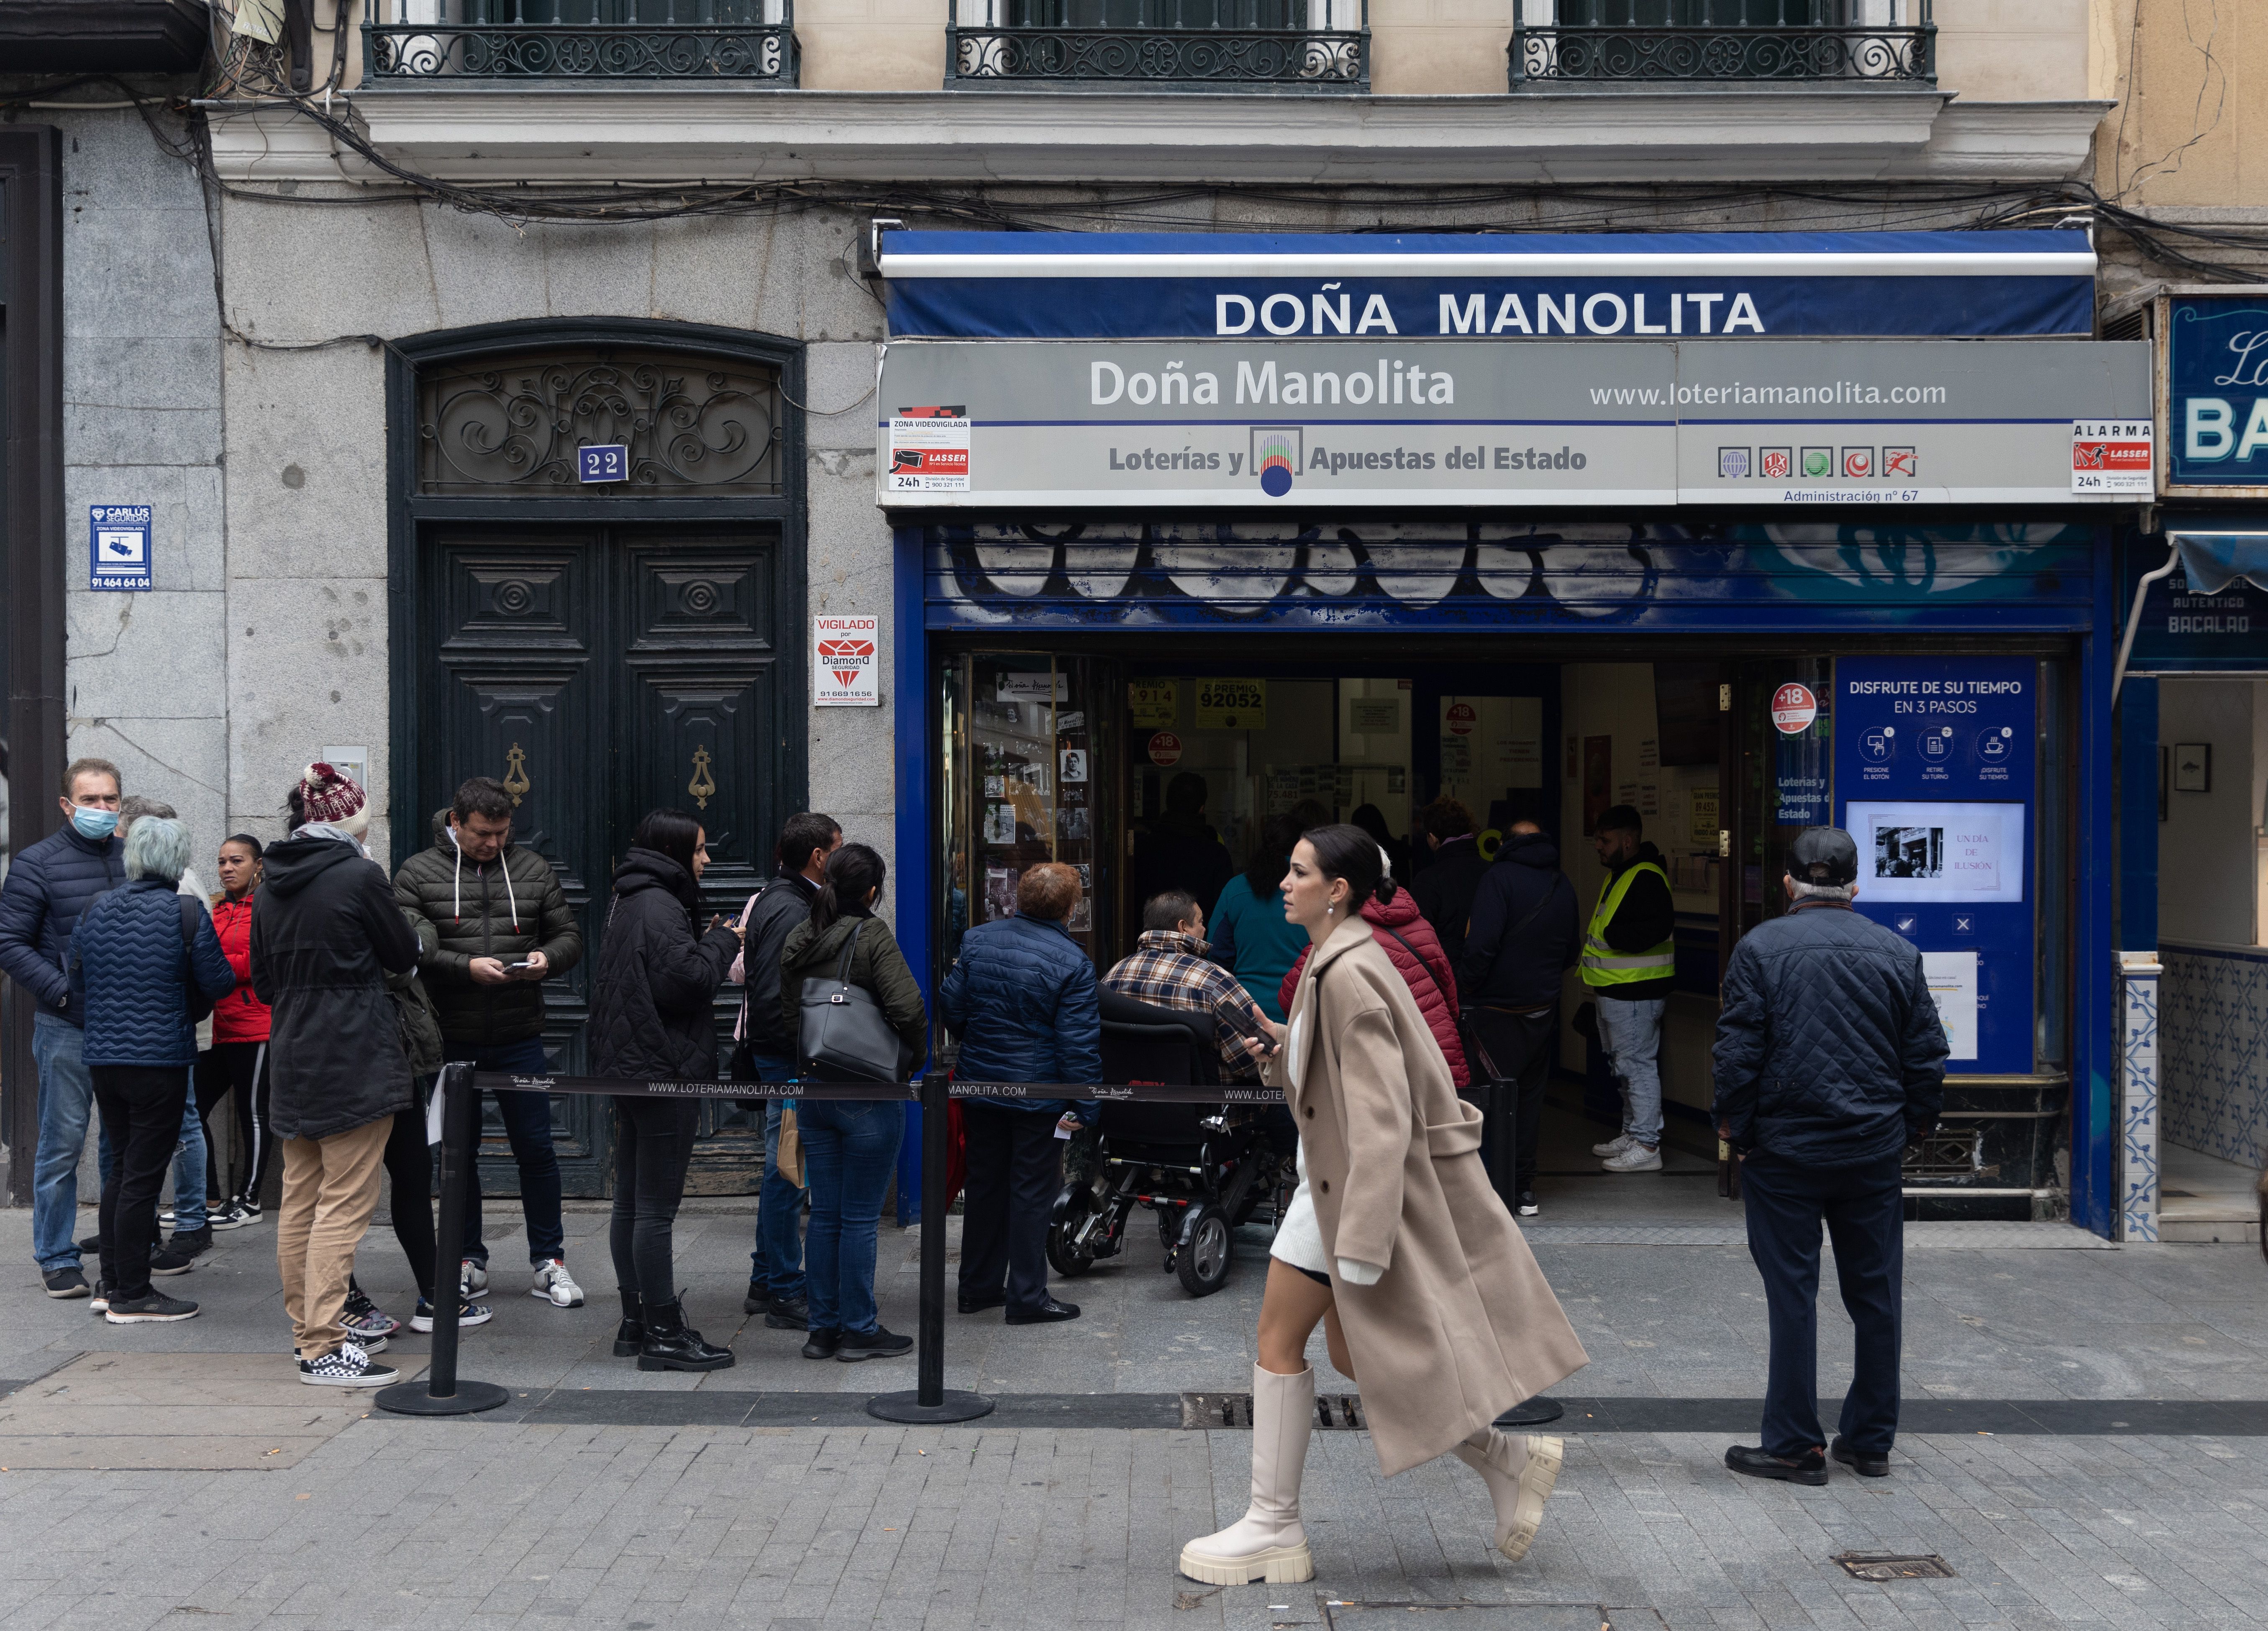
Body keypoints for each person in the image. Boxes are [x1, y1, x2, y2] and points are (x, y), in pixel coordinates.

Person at [1177, 825, 1587, 1586]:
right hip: (1336, 1189)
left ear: (1338, 890)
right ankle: (1506, 1456)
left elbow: (1382, 1117)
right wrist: (1282, 1046)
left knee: (1277, 1340)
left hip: (1340, 1198)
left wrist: (1362, 1239)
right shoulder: (1340, 957)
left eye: (1299, 872)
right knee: (1354, 1354)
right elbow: (1340, 1076)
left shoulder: (1349, 971)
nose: (1284, 883)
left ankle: (1274, 1525)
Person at [1712, 828, 1947, 1486]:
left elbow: (1737, 1052)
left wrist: (1736, 1130)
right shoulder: (1897, 951)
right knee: (1877, 1295)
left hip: (1784, 1150)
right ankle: (1870, 1440)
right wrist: (1915, 1124)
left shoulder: (1759, 948)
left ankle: (1794, 1444)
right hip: (1871, 1149)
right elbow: (1926, 1052)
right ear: (1855, 885)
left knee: (1792, 1294)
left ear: (1788, 883)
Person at [250, 763, 417, 1388]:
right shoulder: (359, 874)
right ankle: (324, 1344)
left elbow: (263, 983)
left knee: (300, 1201)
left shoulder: (269, 884)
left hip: (294, 1053)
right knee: (343, 1207)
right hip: (354, 1054)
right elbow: (403, 954)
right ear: (353, 820)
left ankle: (307, 1337)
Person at [394, 776, 585, 1310]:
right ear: (456, 822)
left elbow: (569, 935)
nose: (493, 843)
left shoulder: (532, 868)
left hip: (520, 1032)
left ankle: (549, 1260)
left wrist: (548, 958)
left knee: (537, 1148)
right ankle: (465, 1260)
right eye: (482, 833)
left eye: (502, 833)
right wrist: (465, 966)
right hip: (450, 1036)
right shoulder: (417, 872)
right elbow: (407, 948)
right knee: (458, 1153)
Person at [587, 808, 745, 1372]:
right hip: (662, 1065)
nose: (707, 858)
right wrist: (724, 940)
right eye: (699, 849)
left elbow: (657, 973)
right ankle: (663, 1331)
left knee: (631, 1200)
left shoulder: (631, 897)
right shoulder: (660, 903)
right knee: (654, 1208)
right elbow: (689, 982)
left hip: (631, 1061)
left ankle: (636, 1320)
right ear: (675, 851)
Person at [67, 817, 237, 1323]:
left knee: (122, 1168)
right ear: (179, 862)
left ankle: (111, 1283)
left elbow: (76, 979)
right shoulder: (186, 912)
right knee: (142, 1176)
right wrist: (186, 1000)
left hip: (105, 1059)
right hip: (160, 1061)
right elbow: (219, 982)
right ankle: (133, 1294)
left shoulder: (95, 906)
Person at [778, 842, 928, 1362]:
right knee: (861, 1218)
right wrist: (909, 1062)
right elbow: (908, 1007)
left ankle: (822, 1329)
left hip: (815, 1088)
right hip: (868, 1091)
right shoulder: (871, 933)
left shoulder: (802, 934)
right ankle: (859, 1328)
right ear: (872, 891)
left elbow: (788, 1011)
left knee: (825, 1214)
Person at [940, 861, 1101, 1326]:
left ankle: (977, 1287)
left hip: (981, 1083)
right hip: (1038, 1093)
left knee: (985, 1185)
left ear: (1020, 899)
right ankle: (1027, 1295)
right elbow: (1077, 1045)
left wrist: (978, 1040)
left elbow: (951, 1004)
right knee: (1032, 1191)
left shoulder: (978, 940)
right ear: (1071, 909)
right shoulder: (1073, 962)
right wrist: (1085, 1104)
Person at [2, 758, 129, 1298]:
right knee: (61, 1143)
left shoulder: (132, 857)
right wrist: (61, 992)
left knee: (122, 1144)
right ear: (66, 804)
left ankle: (123, 1250)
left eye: (110, 799)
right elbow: (10, 942)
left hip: (128, 1026)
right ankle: (56, 1256)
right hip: (65, 1025)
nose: (102, 808)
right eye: (90, 799)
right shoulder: (37, 863)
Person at [730, 810, 842, 1326]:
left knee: (785, 1164)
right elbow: (774, 995)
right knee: (788, 1171)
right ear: (819, 856)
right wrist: (801, 1058)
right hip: (788, 1057)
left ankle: (764, 1277)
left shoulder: (783, 898)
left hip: (782, 1053)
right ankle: (783, 1287)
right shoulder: (792, 907)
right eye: (837, 848)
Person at [1457, 821, 1581, 1217]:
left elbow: (1480, 945)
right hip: (1542, 1010)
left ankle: (1488, 1190)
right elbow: (1572, 951)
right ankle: (1523, 1188)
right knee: (1528, 1100)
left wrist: (1466, 987)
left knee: (1486, 1101)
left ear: (1505, 844)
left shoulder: (1498, 879)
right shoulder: (1562, 883)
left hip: (1494, 1011)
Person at [1279, 851, 1468, 1090]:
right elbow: (1450, 999)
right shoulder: (1422, 927)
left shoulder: (1334, 932)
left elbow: (1290, 1000)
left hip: (1372, 1069)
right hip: (1436, 1059)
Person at [115, 797, 213, 1260]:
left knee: (183, 1123)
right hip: (158, 1030)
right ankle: (144, 1226)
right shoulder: (156, 890)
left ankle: (190, 1222)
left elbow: (207, 972)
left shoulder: (182, 889)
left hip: (168, 1032)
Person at [1581, 804, 1676, 1175]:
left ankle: (1647, 1144)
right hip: (1617, 989)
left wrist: (1614, 935)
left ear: (1627, 840)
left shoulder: (1645, 876)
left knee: (1637, 1067)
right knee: (1623, 1066)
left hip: (1636, 991)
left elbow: (1654, 927)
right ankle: (1632, 1133)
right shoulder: (1621, 874)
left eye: (1604, 840)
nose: (1598, 847)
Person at [1103, 890, 1283, 1079]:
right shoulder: (1215, 981)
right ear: (1183, 927)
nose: (1205, 929)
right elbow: (1254, 1061)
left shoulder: (1113, 976)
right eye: (1201, 922)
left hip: (1124, 1095)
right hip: (1203, 1097)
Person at [197, 835, 276, 1233]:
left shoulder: (268, 906)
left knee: (254, 1115)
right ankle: (209, 1197)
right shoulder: (214, 908)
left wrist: (211, 964)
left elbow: (262, 961)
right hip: (215, 1026)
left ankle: (249, 1200)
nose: (227, 868)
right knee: (191, 1108)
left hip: (255, 1025)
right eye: (222, 861)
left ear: (258, 864)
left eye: (237, 860)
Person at [1207, 810, 1316, 1024]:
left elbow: (1216, 955)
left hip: (1245, 1015)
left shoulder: (1235, 889)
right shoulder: (1316, 890)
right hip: (1303, 1014)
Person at [1133, 772, 1235, 917]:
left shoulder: (1140, 849)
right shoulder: (1216, 855)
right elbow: (1224, 914)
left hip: (1146, 932)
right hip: (1200, 932)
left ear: (1167, 804)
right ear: (1202, 808)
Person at [1409, 796, 1488, 968]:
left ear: (1433, 838)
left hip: (1445, 972)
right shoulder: (1492, 872)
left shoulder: (1428, 880)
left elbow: (1418, 941)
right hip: (1487, 972)